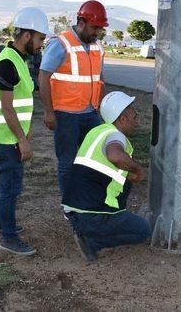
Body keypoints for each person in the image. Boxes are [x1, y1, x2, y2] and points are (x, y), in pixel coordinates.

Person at [0, 7, 49, 256]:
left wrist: (26, 131)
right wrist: (22, 140)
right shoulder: (7, 63)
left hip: (10, 136)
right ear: (27, 35)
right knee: (12, 186)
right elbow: (7, 109)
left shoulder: (16, 60)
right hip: (4, 139)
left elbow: (20, 104)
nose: (41, 44)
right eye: (40, 38)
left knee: (7, 181)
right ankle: (8, 238)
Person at [62, 91, 151, 262]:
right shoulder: (116, 135)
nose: (137, 121)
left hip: (75, 211)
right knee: (143, 230)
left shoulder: (97, 132)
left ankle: (88, 231)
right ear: (122, 119)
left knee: (127, 220)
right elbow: (115, 155)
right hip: (92, 213)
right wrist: (138, 170)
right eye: (134, 117)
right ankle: (92, 241)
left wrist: (127, 174)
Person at [38, 0, 108, 197]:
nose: (97, 33)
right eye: (94, 28)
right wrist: (49, 112)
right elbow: (44, 76)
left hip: (91, 114)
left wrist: (101, 106)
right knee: (67, 163)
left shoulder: (97, 47)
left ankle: (88, 198)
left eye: (100, 29)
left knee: (95, 157)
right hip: (66, 115)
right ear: (81, 22)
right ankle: (70, 206)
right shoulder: (61, 43)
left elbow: (99, 79)